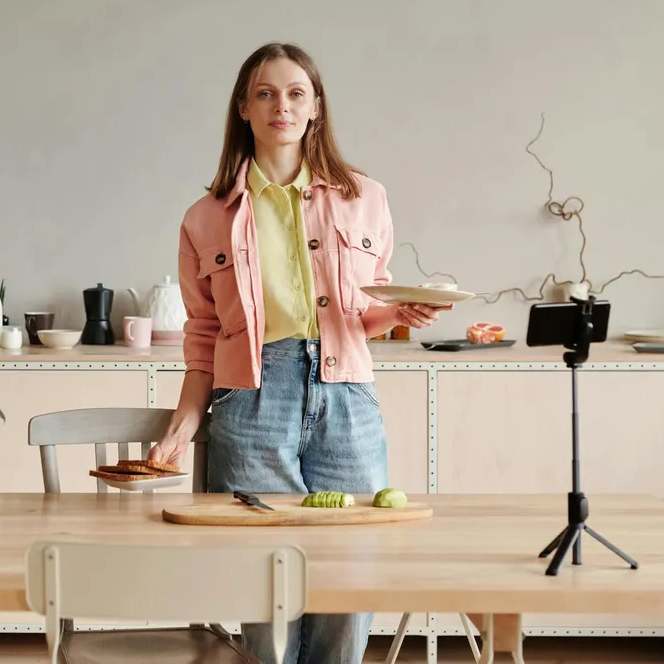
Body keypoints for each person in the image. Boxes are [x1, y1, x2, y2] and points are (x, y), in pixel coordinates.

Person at [148, 42, 445, 664]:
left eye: (295, 93)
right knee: (267, 584)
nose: (281, 105)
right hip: (250, 400)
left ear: (315, 108)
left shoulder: (366, 196)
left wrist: (401, 313)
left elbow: (367, 307)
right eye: (265, 93)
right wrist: (183, 423)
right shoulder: (205, 218)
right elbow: (202, 335)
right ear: (244, 109)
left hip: (348, 397)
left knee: (348, 578)